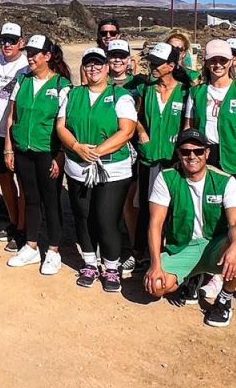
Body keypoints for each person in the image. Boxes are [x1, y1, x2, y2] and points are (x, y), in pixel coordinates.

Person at [185, 40, 236, 312]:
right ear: (205, 62)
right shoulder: (197, 93)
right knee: (218, 225)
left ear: (231, 61)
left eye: (222, 60)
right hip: (210, 161)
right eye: (212, 60)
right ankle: (218, 275)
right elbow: (189, 129)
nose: (217, 65)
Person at [144, 130, 236, 328]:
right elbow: (155, 224)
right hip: (183, 247)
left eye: (198, 151)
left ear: (207, 153)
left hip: (214, 246)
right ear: (178, 153)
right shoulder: (167, 178)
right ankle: (192, 277)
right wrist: (155, 264)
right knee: (155, 286)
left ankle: (225, 299)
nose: (192, 156)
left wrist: (235, 244)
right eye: (185, 151)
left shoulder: (225, 181)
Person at [56, 47, 140, 291]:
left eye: (98, 64)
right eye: (88, 64)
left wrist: (97, 152)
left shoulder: (120, 96)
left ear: (106, 68)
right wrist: (76, 146)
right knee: (83, 216)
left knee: (105, 219)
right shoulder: (72, 95)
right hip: (77, 165)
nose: (93, 69)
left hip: (112, 168)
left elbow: (127, 130)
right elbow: (61, 126)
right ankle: (90, 263)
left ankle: (111, 267)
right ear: (83, 68)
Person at [3, 34, 71, 274]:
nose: (30, 57)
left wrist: (60, 155)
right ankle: (31, 246)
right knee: (30, 198)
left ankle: (53, 250)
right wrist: (9, 147)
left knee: (51, 201)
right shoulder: (22, 79)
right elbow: (13, 116)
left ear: (48, 56)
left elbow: (65, 125)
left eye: (35, 54)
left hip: (47, 152)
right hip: (23, 150)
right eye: (29, 53)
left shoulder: (62, 86)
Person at [129, 42, 189, 277]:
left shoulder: (186, 91)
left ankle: (168, 255)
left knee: (173, 209)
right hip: (149, 158)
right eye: (150, 61)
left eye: (157, 63)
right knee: (146, 206)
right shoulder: (147, 88)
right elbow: (136, 114)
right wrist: (142, 133)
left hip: (173, 161)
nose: (151, 66)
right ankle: (140, 253)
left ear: (172, 66)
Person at [0, 22, 29, 249]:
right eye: (4, 40)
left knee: (22, 181)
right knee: (4, 179)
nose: (7, 44)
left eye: (12, 40)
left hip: (18, 134)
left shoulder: (26, 66)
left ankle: (23, 228)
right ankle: (13, 222)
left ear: (21, 42)